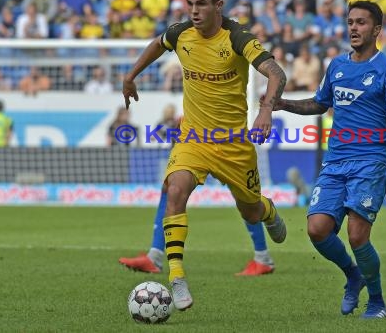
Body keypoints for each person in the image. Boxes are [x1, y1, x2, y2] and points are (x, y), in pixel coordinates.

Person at [122, 0, 288, 311]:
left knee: (251, 210)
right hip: (193, 138)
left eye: (201, 5)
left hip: (233, 145)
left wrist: (266, 110)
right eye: (190, 4)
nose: (194, 12)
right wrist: (130, 75)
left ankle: (268, 211)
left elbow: (276, 73)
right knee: (175, 188)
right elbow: (157, 44)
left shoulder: (238, 37)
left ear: (218, 5)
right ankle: (177, 277)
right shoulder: (180, 33)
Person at [272, 1, 386, 319]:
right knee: (317, 229)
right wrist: (283, 104)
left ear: (376, 30)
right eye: (350, 22)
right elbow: (319, 104)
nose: (353, 28)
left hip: (371, 160)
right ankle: (353, 275)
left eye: (361, 23)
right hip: (336, 161)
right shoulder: (336, 66)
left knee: (357, 235)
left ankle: (377, 302)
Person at [119, 108, 278, 277]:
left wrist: (267, 109)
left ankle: (263, 256)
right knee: (171, 188)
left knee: (246, 201)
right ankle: (155, 256)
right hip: (197, 140)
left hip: (226, 140)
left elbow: (276, 79)